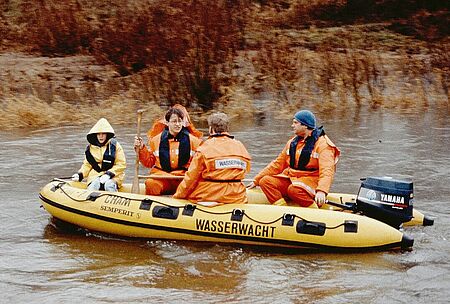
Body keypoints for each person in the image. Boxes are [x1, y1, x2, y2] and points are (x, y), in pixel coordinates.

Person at [247, 110, 340, 208]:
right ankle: (282, 210)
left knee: (294, 190)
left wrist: (322, 190)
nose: (292, 125)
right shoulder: (292, 143)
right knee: (265, 181)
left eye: (295, 123)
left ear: (305, 125)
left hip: (312, 181)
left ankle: (314, 210)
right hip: (293, 178)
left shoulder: (323, 145)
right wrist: (256, 180)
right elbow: (277, 164)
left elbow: (327, 171)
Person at [173, 112, 251, 204]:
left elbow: (191, 178)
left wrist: (177, 197)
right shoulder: (240, 146)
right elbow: (246, 170)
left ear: (211, 129)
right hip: (237, 196)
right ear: (227, 128)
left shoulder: (205, 148)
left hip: (210, 195)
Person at [134, 106, 202, 195]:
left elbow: (199, 165)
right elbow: (149, 162)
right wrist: (141, 148)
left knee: (198, 185)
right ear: (167, 123)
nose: (177, 124)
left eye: (180, 121)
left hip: (182, 179)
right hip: (162, 178)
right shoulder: (155, 140)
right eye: (174, 121)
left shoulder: (195, 141)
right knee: (151, 183)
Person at [71, 118, 126, 192]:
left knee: (109, 185)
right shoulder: (90, 148)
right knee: (94, 185)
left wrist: (108, 174)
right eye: (98, 134)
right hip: (95, 175)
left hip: (114, 176)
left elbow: (121, 164)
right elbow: (87, 165)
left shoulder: (115, 146)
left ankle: (114, 201)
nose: (101, 136)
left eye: (103, 134)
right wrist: (80, 175)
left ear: (107, 134)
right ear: (95, 135)